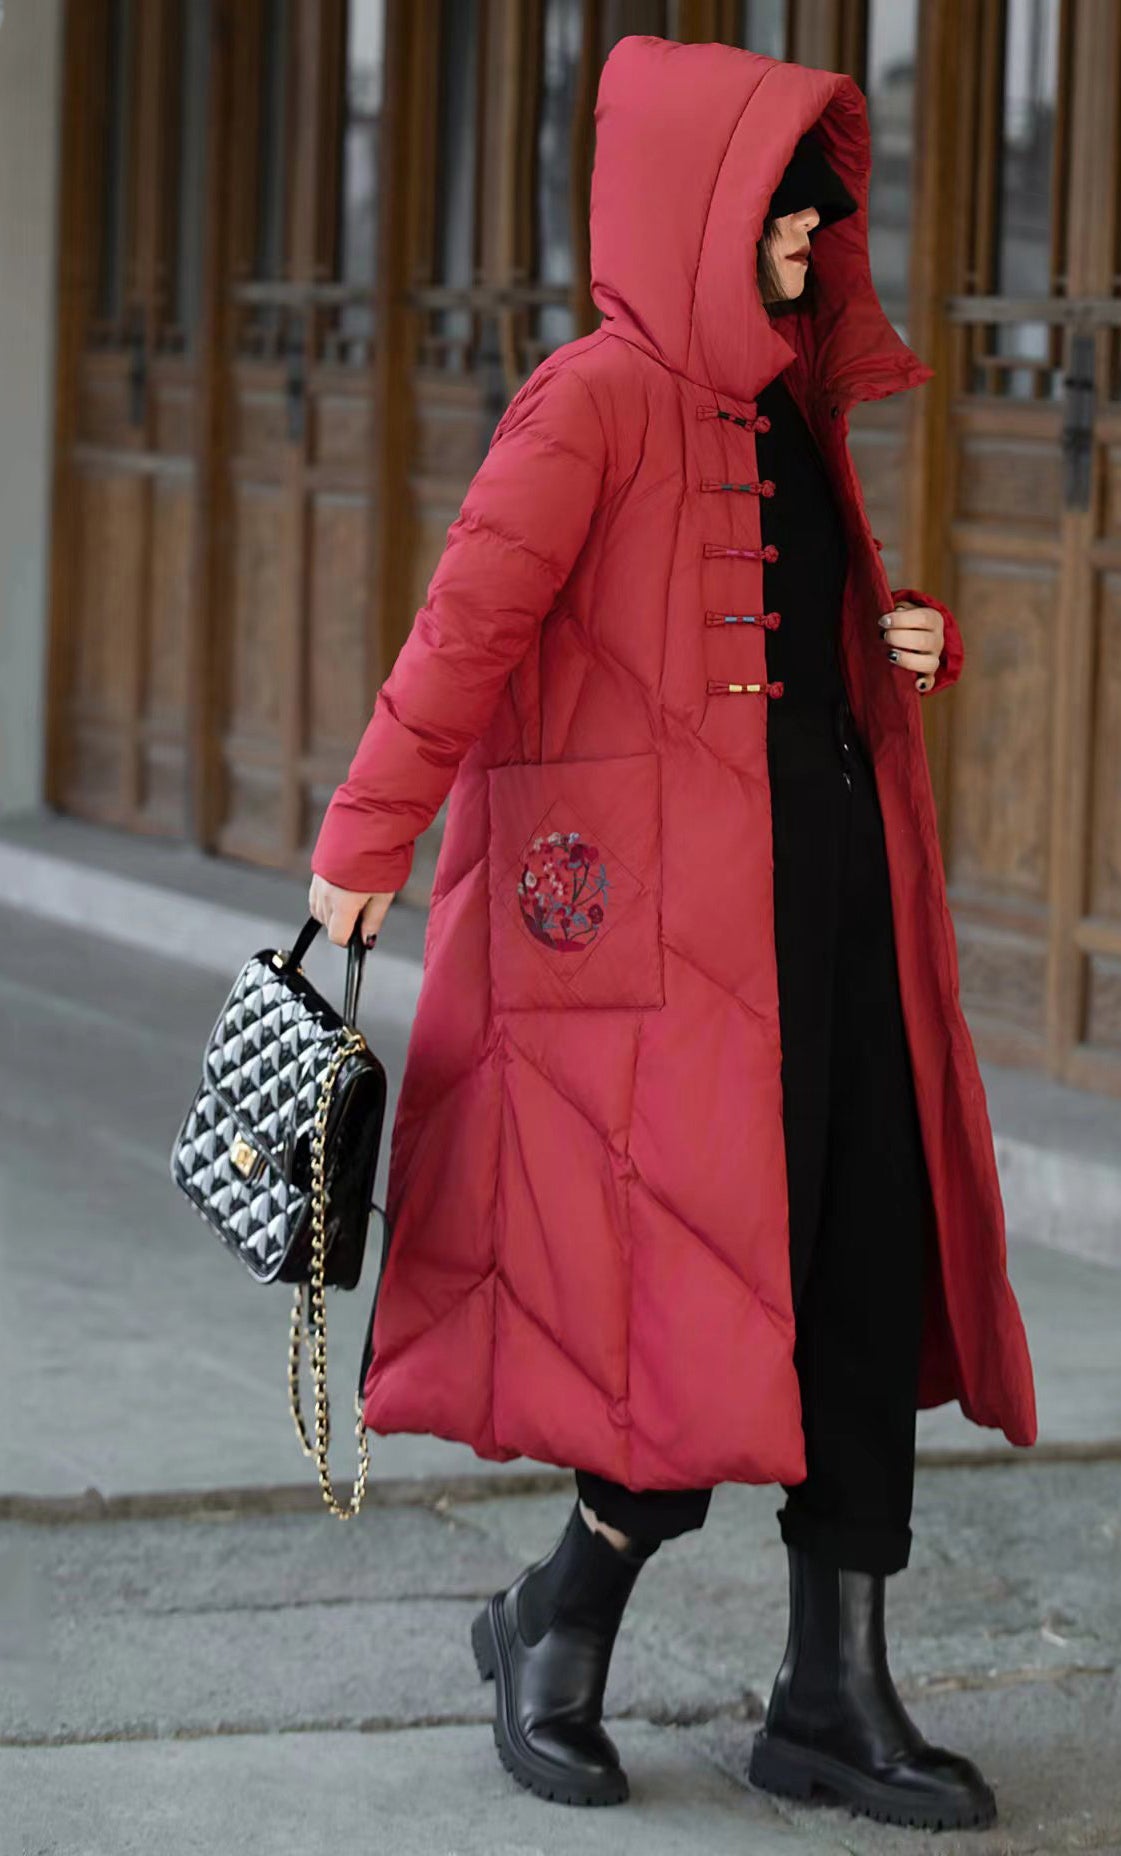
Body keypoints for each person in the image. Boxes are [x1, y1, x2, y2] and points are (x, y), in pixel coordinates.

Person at [308, 34, 1036, 1834]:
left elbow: (791, 657)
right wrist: (362, 841)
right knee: (685, 1328)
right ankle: (550, 1629)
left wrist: (905, 636)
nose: (812, 230)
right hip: (660, 965)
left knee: (859, 1289)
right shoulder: (594, 401)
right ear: (695, 207)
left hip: (842, 932)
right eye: (782, 203)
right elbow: (463, 631)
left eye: (819, 204)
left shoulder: (787, 411)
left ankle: (832, 1696)